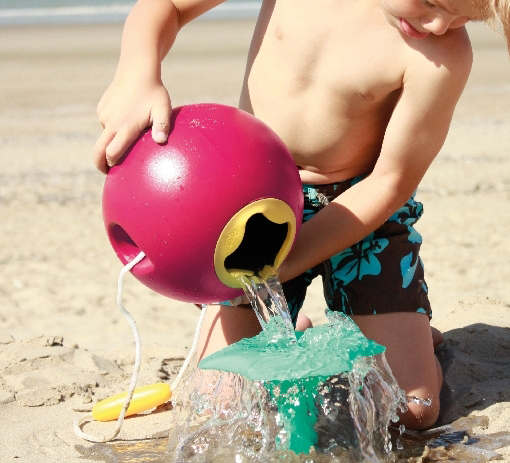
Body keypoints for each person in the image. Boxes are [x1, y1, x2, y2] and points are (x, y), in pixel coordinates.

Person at [93, 0, 508, 430]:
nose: (440, 23)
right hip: (253, 204)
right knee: (220, 405)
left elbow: (390, 182)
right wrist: (138, 75)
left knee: (412, 411)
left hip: (362, 213)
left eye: (465, 17)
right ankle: (301, 329)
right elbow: (169, 6)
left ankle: (411, 339)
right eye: (430, 2)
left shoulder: (442, 55)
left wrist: (285, 263)